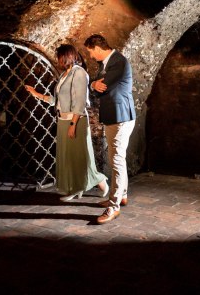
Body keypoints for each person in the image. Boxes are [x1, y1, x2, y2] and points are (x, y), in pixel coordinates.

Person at [25, 45, 109, 202]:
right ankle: (75, 187)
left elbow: (80, 102)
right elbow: (56, 100)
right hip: (63, 120)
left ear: (67, 56)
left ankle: (97, 181)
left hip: (76, 121)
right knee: (69, 158)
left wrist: (73, 124)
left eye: (59, 56)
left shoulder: (79, 73)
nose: (58, 60)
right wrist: (36, 94)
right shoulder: (65, 75)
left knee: (81, 157)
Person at [84, 34, 136, 224]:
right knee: (117, 158)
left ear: (97, 48)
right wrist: (93, 84)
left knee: (116, 160)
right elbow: (96, 85)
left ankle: (113, 207)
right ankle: (122, 195)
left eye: (90, 52)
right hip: (114, 116)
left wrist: (95, 84)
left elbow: (102, 87)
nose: (90, 56)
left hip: (120, 117)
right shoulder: (105, 63)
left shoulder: (118, 61)